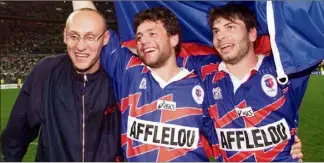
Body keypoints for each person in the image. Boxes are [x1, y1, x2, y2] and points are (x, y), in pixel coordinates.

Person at [72, 2, 304, 162]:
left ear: (174, 38)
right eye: (140, 36)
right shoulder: (128, 71)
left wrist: (282, 145)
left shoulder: (202, 79)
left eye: (152, 33)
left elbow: (232, 126)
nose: (143, 41)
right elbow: (90, 25)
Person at [196, 3, 319, 161]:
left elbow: (315, 25)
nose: (220, 36)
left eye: (230, 27)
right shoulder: (205, 73)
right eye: (216, 31)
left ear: (252, 33)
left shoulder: (283, 69)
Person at [0, 8, 122, 162]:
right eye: (74, 36)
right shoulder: (46, 71)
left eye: (90, 37)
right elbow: (18, 130)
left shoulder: (118, 75)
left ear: (105, 38)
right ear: (65, 36)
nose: (81, 46)